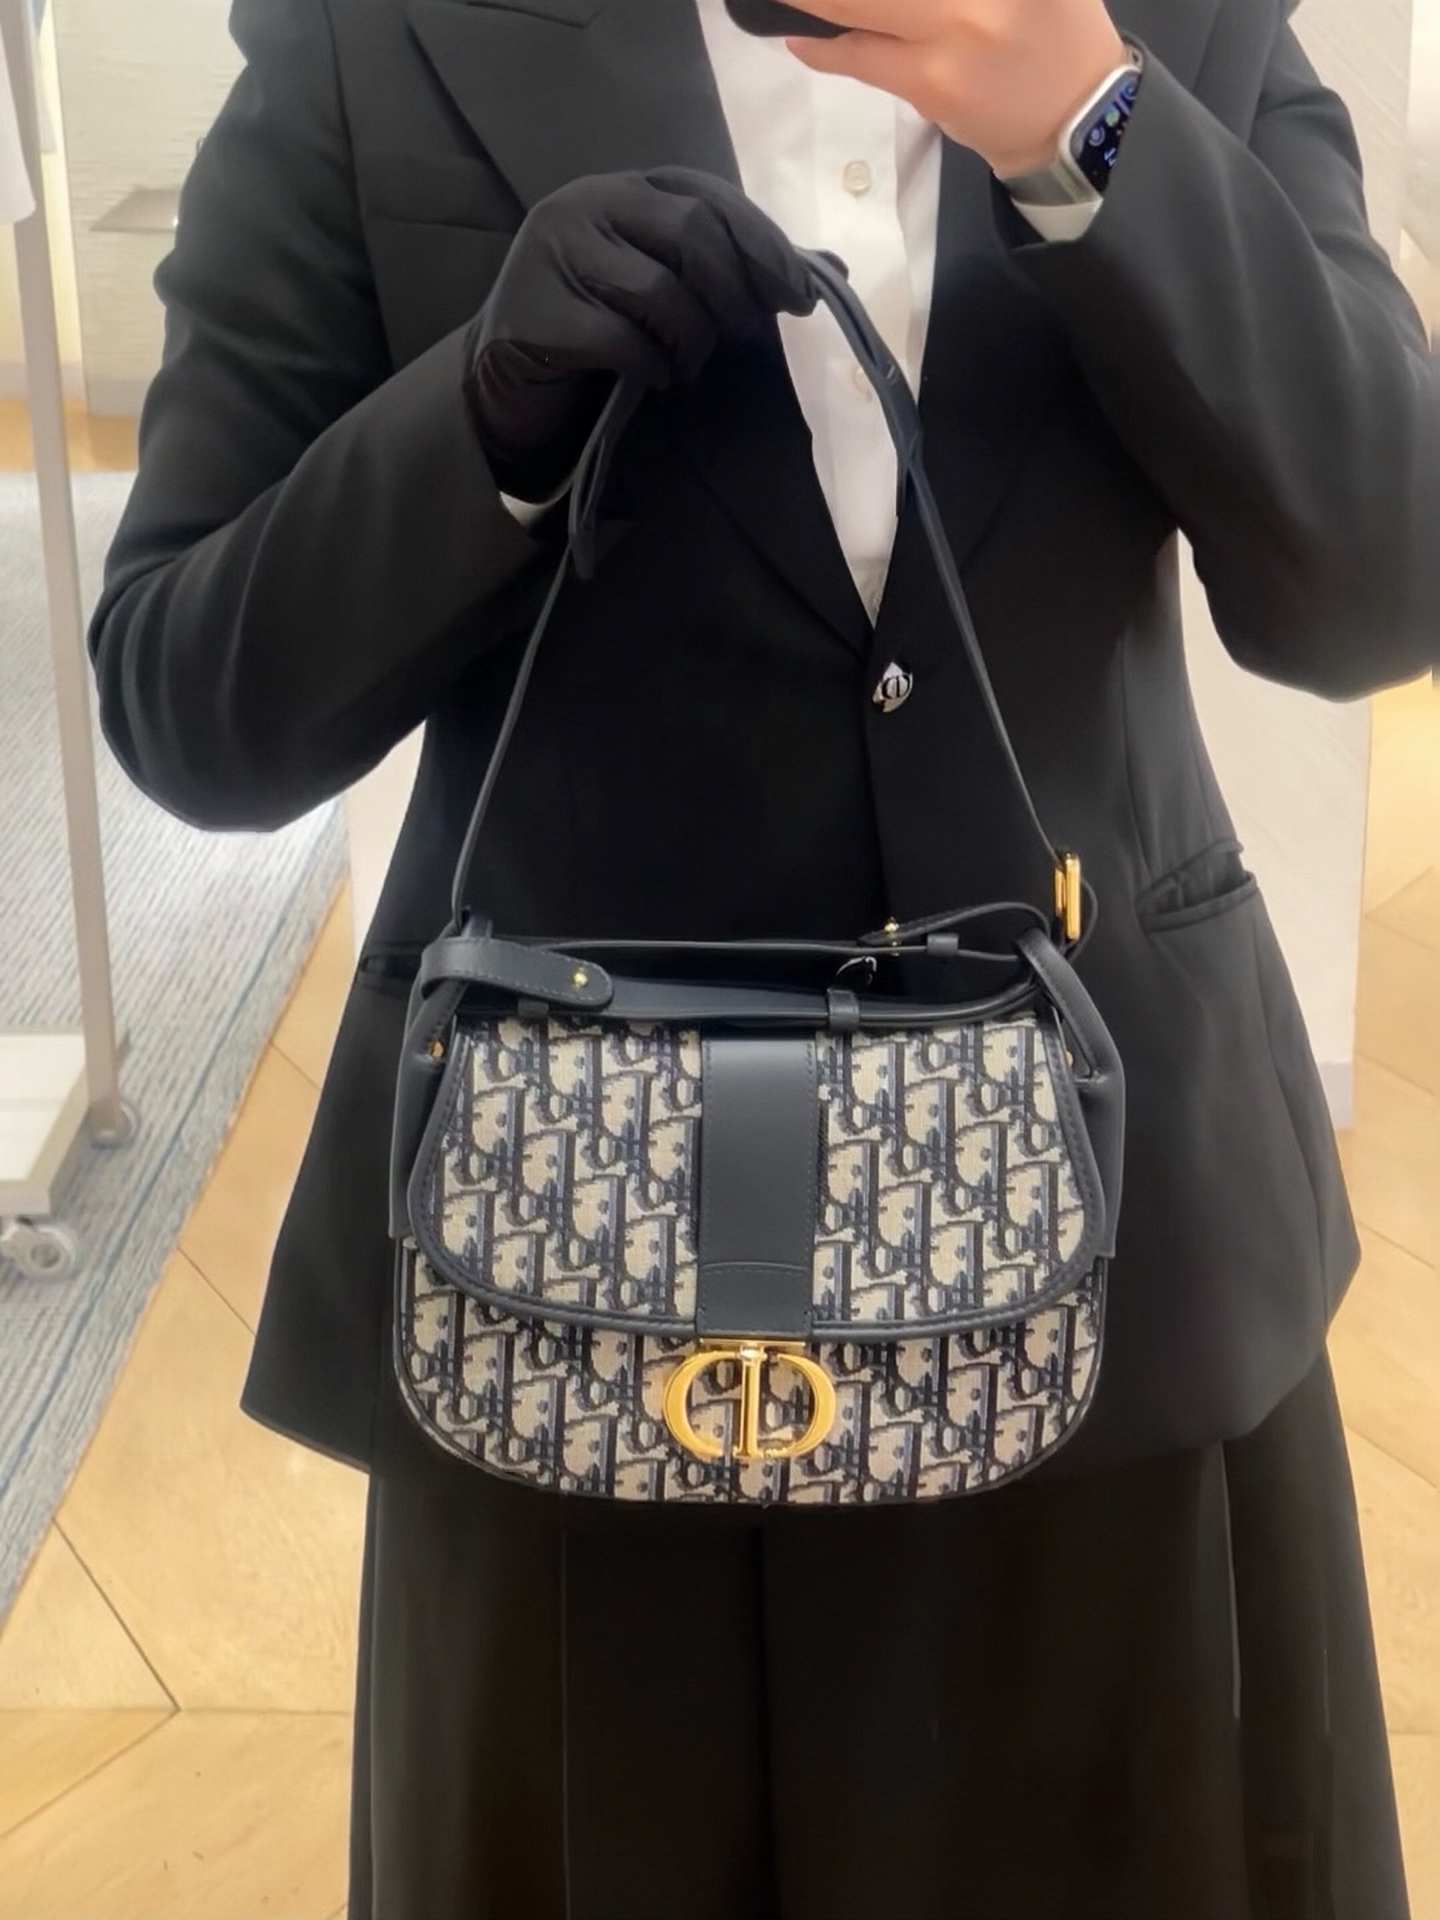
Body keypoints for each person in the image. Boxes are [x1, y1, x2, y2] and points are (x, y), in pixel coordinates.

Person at [88, 0, 1439, 1914]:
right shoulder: (376, 29)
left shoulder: (1162, 20)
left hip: (1117, 1272)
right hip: (565, 1297)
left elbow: (1383, 580)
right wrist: (480, 421)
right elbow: (187, 702)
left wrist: (1087, 116)